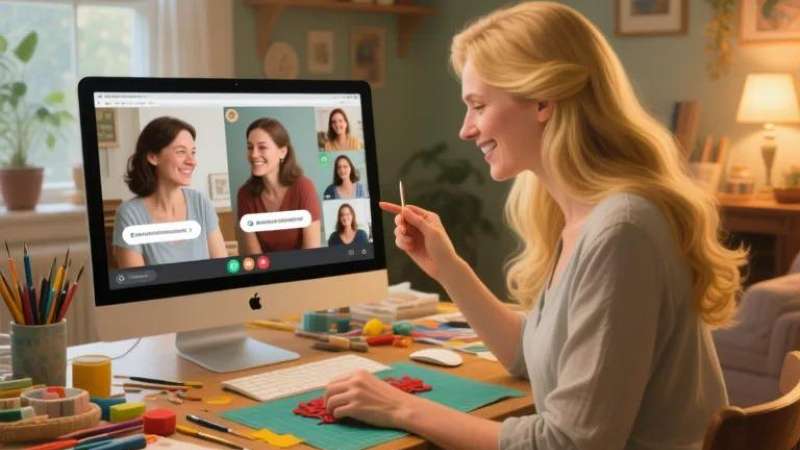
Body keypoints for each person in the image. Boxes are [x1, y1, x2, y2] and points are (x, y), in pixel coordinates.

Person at [321, 3, 747, 449]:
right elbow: (528, 353)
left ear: (543, 99)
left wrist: (400, 408)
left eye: (478, 105)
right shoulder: (585, 217)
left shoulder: (621, 231)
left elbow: (569, 444)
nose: (466, 129)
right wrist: (448, 267)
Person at [113, 116, 227, 268]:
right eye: (181, 152)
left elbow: (221, 268)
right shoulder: (129, 214)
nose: (192, 161)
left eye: (193, 152)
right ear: (153, 157)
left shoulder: (200, 202)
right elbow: (136, 285)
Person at [237, 117, 321, 254]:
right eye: (250, 147)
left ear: (282, 152)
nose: (253, 154)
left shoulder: (304, 188)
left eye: (262, 147)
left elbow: (312, 255)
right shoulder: (244, 195)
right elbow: (255, 258)